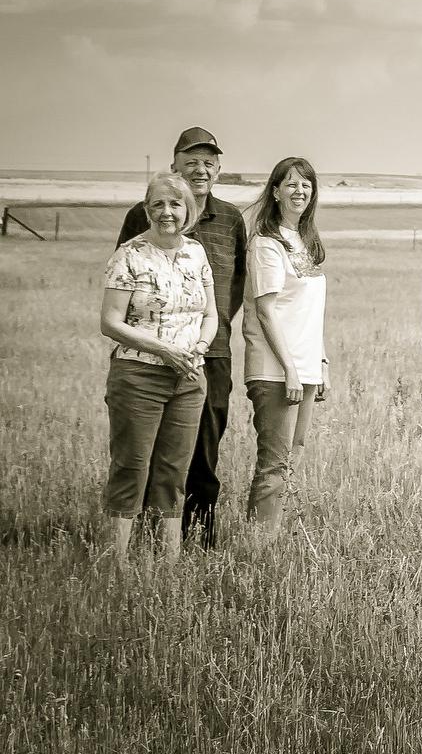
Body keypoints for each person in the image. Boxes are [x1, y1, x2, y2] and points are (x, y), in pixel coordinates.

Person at [114, 126, 244, 548]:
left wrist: (207, 332)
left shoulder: (230, 218)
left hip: (210, 353)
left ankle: (198, 539)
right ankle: (144, 536)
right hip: (147, 357)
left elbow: (235, 283)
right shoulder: (143, 213)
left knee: (203, 449)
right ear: (175, 166)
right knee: (143, 452)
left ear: (219, 169)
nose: (200, 169)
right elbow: (124, 279)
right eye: (191, 161)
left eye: (208, 162)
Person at [99, 173, 218, 560]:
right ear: (147, 210)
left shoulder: (196, 254)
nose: (167, 213)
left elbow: (211, 315)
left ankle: (169, 562)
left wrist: (198, 348)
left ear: (188, 209)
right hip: (138, 376)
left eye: (175, 204)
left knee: (173, 470)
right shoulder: (129, 255)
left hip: (188, 376)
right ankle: (114, 563)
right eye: (158, 205)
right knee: (131, 467)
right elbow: (110, 322)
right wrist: (164, 350)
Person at [241, 157, 329, 529]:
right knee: (274, 462)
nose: (299, 191)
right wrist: (291, 369)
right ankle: (260, 543)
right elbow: (266, 312)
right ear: (275, 192)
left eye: (306, 185)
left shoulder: (304, 242)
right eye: (291, 184)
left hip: (305, 368)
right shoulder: (266, 243)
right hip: (276, 371)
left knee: (294, 457)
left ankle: (269, 534)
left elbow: (310, 312)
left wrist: (321, 364)